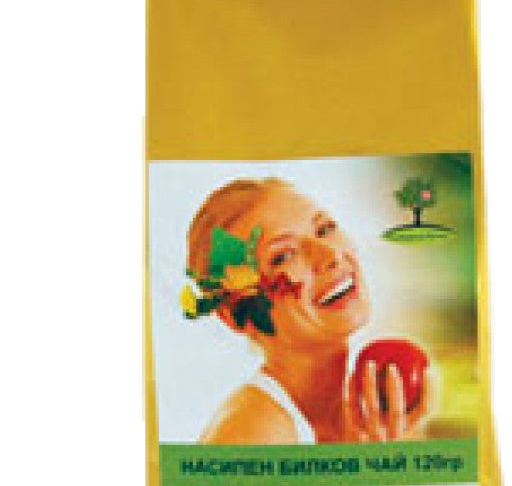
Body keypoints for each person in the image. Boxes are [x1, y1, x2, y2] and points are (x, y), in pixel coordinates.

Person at [182, 177, 432, 444]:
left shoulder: (365, 413)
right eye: (283, 256)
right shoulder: (257, 431)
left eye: (324, 229)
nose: (329, 255)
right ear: (236, 316)